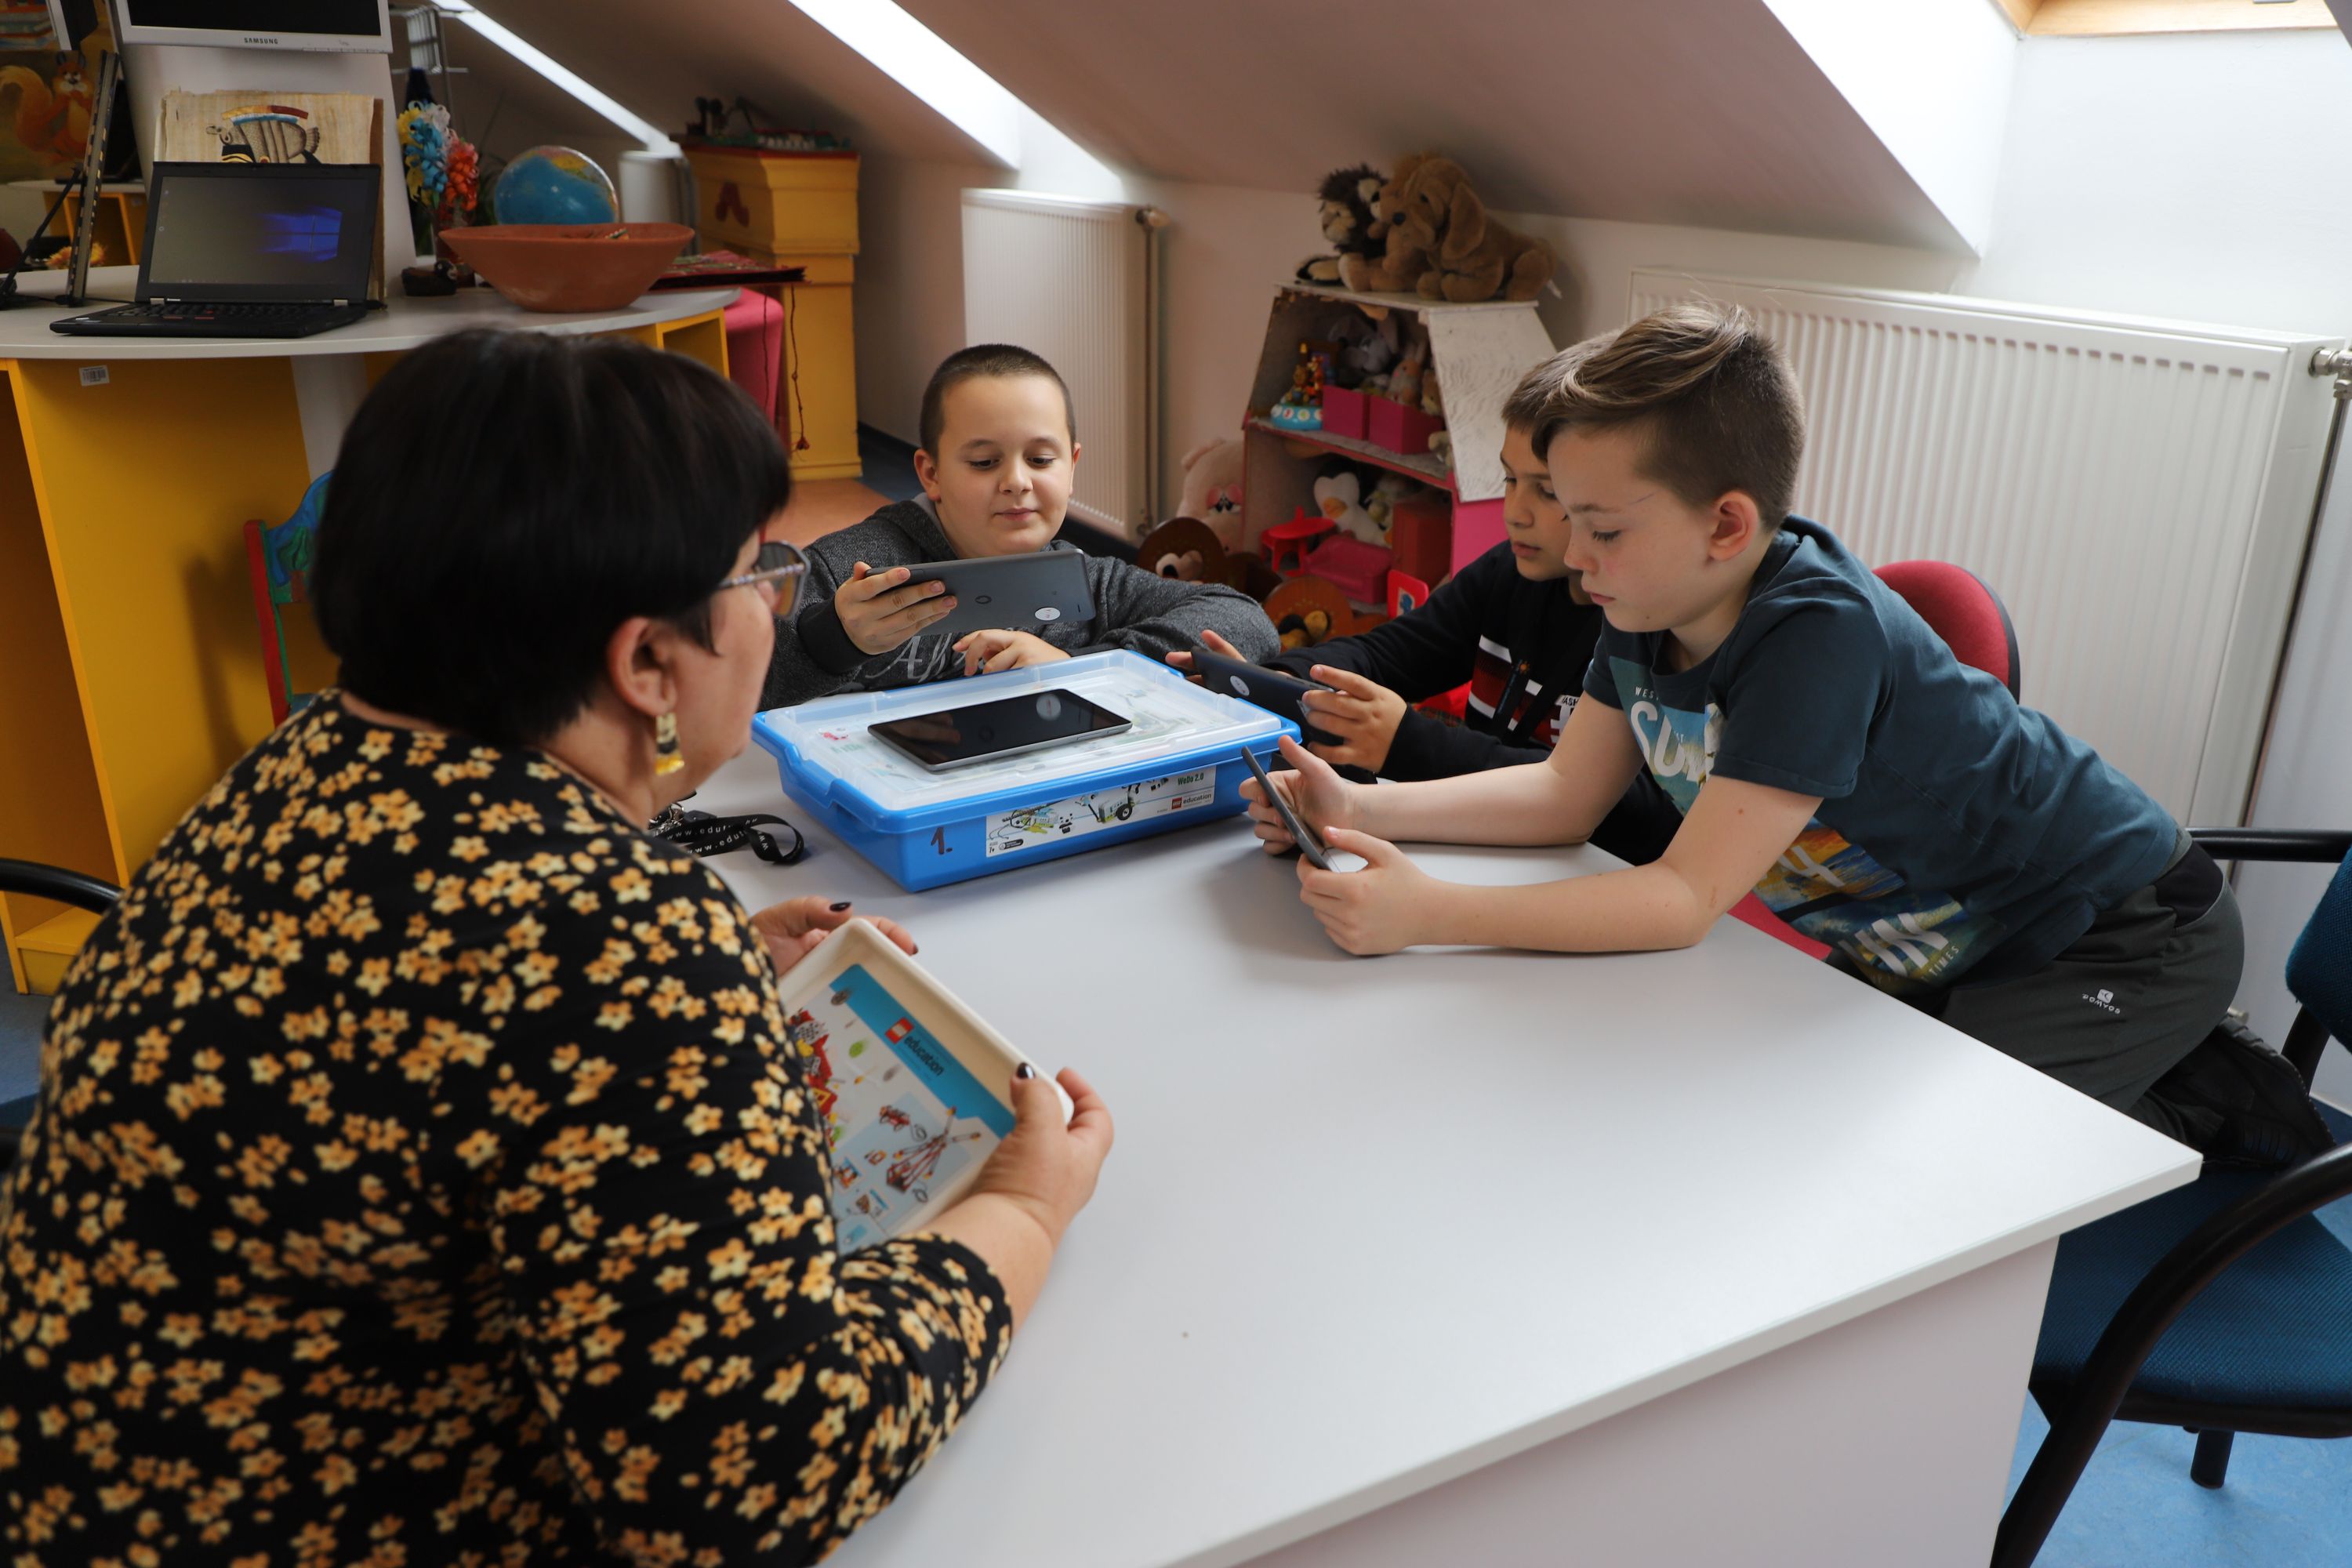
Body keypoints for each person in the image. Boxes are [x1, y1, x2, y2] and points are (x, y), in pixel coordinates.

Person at [0, 328, 1114, 1564]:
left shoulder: (292, 771)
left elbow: (437, 1033)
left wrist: (701, 979)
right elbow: (751, 1485)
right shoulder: (608, 941)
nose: (772, 605)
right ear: (647, 661)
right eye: (756, 575)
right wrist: (1023, 1209)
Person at [1243, 303, 2327, 1164]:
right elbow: (1563, 794)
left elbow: (1682, 897)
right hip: (1940, 948)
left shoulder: (1816, 635)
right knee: (1794, 1130)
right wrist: (1363, 806)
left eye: (1600, 526)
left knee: (1948, 1173)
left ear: (1726, 524)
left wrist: (1428, 912)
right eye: (1571, 518)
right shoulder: (1647, 594)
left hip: (2118, 932)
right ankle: (2121, 1065)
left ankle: (2205, 1096)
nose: (1573, 555)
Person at [1172, 361, 1679, 863]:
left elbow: (1629, 814)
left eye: (1547, 492)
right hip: (1487, 853)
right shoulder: (1508, 574)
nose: (1515, 512)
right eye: (1509, 480)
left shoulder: (1645, 625)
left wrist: (1407, 743)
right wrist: (1277, 683)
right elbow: (1388, 653)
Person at [764, 343, 1278, 705]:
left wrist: (1078, 666)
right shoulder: (852, 572)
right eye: (984, 462)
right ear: (931, 473)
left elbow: (1246, 621)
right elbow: (731, 682)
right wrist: (833, 639)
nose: (1016, 482)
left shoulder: (1085, 581)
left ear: (1072, 467)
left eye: (1040, 460)